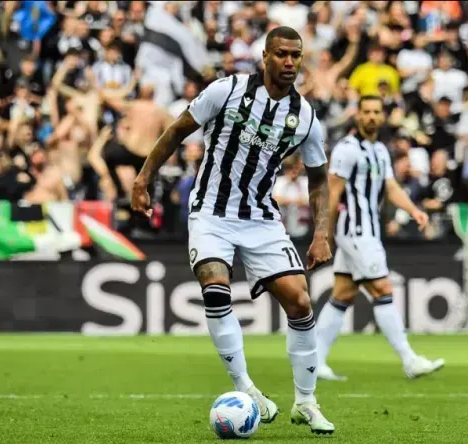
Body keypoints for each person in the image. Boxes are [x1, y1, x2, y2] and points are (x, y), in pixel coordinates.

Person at [132, 26, 335, 435]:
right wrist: (143, 178)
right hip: (210, 211)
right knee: (215, 288)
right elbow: (176, 130)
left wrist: (321, 233)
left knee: (299, 302)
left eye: (296, 55)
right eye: (282, 54)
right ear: (264, 56)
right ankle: (247, 388)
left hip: (260, 217)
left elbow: (318, 179)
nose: (290, 63)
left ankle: (306, 401)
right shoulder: (226, 91)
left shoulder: (305, 117)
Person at [316, 96, 445, 381]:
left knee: (343, 294)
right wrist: (323, 233)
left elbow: (390, 187)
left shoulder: (380, 150)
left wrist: (414, 210)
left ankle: (314, 361)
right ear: (358, 115)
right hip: (355, 231)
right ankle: (409, 360)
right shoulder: (347, 149)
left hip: (369, 230)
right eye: (366, 112)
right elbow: (332, 191)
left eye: (376, 112)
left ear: (382, 117)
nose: (372, 117)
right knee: (383, 290)